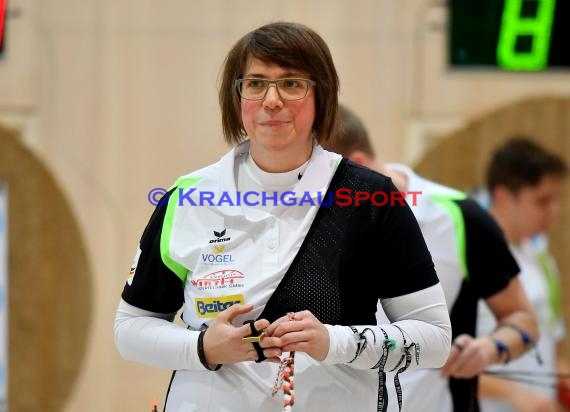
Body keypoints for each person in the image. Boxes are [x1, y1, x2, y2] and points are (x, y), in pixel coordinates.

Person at [114, 22, 452, 412]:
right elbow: (130, 329)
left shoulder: (371, 198)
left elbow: (434, 339)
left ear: (320, 97)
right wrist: (203, 347)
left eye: (291, 84)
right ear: (236, 97)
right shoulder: (187, 198)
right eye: (255, 84)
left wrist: (333, 342)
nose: (272, 100)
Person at [322, 105, 539, 412]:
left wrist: (488, 350)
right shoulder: (303, 221)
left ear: (356, 165)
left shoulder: (461, 217)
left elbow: (523, 319)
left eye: (318, 183)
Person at [476, 138, 568, 412]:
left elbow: (551, 340)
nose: (554, 210)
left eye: (555, 199)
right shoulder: (469, 258)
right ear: (504, 197)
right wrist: (514, 394)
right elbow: (439, 361)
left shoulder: (540, 258)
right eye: (542, 201)